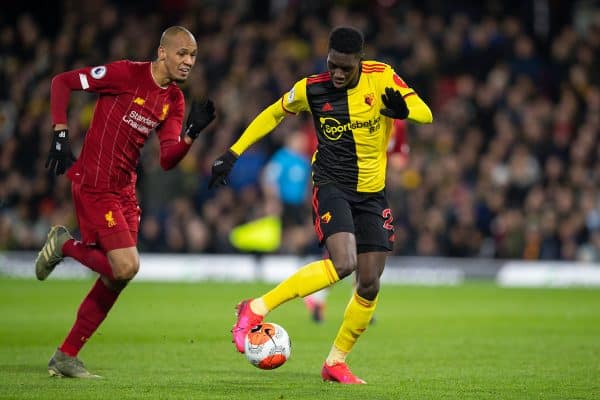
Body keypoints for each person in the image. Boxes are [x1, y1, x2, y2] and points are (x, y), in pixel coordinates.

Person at [209, 26, 432, 384]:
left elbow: (426, 112)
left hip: (372, 193)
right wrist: (234, 152)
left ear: (361, 60)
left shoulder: (381, 76)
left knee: (370, 283)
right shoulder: (312, 88)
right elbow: (273, 113)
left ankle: (335, 363)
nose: (339, 74)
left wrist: (405, 109)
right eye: (333, 65)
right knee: (343, 262)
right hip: (331, 184)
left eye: (346, 67)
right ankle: (255, 308)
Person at [35, 26, 215, 378]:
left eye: (193, 56)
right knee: (125, 266)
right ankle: (64, 245)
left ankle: (66, 355)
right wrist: (59, 132)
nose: (188, 62)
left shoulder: (174, 100)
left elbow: (166, 159)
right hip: (94, 185)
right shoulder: (124, 74)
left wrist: (191, 135)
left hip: (124, 190)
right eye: (182, 53)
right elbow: (61, 82)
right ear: (162, 52)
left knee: (118, 277)